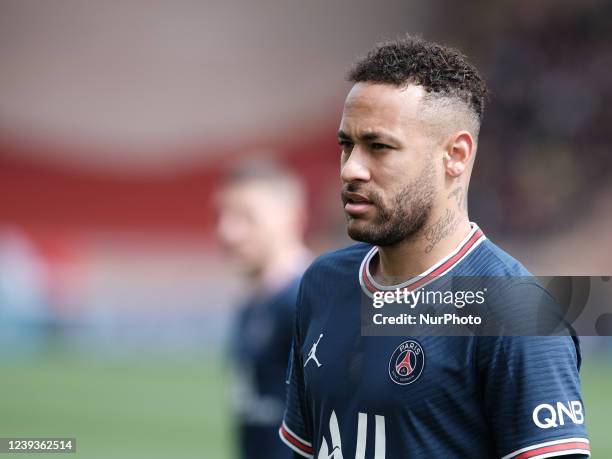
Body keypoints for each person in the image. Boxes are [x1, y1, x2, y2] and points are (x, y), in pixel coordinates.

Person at [278, 36, 590, 459]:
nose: (351, 168)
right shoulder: (323, 282)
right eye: (346, 145)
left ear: (455, 155)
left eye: (379, 147)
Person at [215, 159, 311, 459]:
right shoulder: (250, 305)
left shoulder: (312, 301)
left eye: (247, 217)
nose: (227, 231)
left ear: (292, 218)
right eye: (222, 216)